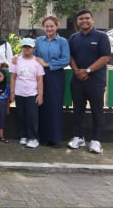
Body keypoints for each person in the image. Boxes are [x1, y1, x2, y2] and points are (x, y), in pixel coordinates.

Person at [68, 9, 110, 154]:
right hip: (77, 81)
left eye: (87, 18)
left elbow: (105, 57)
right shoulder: (73, 38)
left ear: (92, 20)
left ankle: (96, 141)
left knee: (97, 111)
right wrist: (77, 72)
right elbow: (70, 57)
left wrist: (87, 71)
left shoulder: (101, 37)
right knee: (78, 111)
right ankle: (78, 137)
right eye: (81, 19)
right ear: (77, 22)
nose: (84, 21)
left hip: (96, 82)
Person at [34, 15, 71, 148]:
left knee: (54, 105)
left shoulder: (63, 42)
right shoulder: (39, 41)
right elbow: (34, 56)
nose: (49, 28)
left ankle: (54, 138)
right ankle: (42, 136)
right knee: (41, 104)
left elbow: (66, 59)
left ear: (57, 26)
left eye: (52, 26)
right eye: (46, 26)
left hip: (55, 75)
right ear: (43, 27)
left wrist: (48, 64)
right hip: (40, 76)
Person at [9, 38, 44, 148]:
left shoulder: (37, 62)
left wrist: (40, 94)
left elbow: (39, 79)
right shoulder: (17, 60)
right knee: (21, 115)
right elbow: (13, 78)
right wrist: (12, 92)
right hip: (19, 93)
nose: (26, 49)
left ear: (33, 48)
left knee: (32, 116)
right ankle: (23, 135)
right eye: (24, 47)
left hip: (32, 94)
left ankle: (33, 137)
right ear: (21, 48)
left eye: (29, 47)